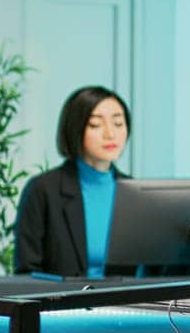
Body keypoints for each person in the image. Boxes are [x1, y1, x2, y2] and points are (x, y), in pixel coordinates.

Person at [13, 86, 131, 278]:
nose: (110, 134)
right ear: (75, 128)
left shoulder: (135, 194)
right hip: (63, 306)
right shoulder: (42, 190)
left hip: (128, 306)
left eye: (118, 123)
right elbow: (27, 271)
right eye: (95, 125)